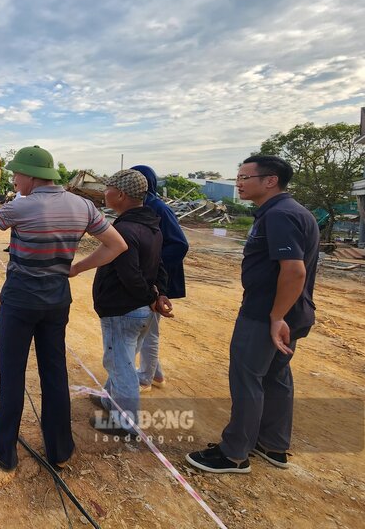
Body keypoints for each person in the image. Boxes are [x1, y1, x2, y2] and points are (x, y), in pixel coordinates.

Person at [0, 145, 127, 470]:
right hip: (56, 302)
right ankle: (60, 451)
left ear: (31, 176)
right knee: (54, 374)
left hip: (20, 303)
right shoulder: (82, 206)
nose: (14, 180)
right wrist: (77, 268)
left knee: (12, 376)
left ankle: (4, 450)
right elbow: (117, 245)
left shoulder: (22, 207)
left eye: (16, 174)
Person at [186, 155, 319, 474]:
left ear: (270, 180)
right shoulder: (296, 212)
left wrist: (275, 317)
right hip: (292, 312)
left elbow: (295, 271)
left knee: (247, 379)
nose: (239, 183)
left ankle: (234, 454)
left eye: (244, 177)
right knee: (276, 377)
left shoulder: (280, 215)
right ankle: (273, 445)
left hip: (266, 315)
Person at [83, 169, 168, 436]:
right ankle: (110, 399)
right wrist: (158, 294)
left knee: (120, 365)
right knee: (123, 358)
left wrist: (151, 296)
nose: (104, 193)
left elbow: (130, 274)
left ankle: (125, 422)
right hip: (140, 310)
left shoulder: (124, 229)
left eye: (107, 188)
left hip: (123, 310)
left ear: (119, 194)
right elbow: (159, 266)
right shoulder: (150, 224)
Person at [130, 165, 189, 391]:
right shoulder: (146, 206)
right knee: (148, 327)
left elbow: (180, 244)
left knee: (149, 330)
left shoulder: (158, 208)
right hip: (152, 276)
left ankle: (144, 378)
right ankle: (155, 374)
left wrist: (151, 265)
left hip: (156, 279)